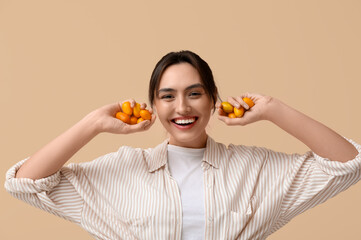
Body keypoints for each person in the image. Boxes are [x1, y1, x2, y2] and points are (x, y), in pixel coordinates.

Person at [5, 50, 361, 240]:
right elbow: (24, 182)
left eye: (195, 93)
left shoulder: (255, 168)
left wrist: (273, 109)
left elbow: (347, 164)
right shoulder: (123, 169)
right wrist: (93, 123)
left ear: (212, 100)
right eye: (167, 96)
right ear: (154, 106)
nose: (182, 108)